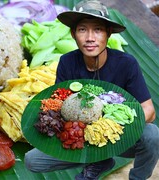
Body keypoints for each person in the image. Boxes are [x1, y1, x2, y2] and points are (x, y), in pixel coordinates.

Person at [24, 0, 159, 179]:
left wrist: (109, 130)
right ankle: (98, 161)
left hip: (119, 137)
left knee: (152, 135)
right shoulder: (66, 62)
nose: (90, 37)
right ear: (73, 34)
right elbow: (59, 103)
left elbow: (149, 112)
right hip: (81, 138)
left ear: (108, 33)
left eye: (97, 29)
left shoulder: (126, 63)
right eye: (82, 30)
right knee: (32, 160)